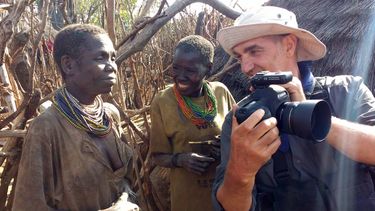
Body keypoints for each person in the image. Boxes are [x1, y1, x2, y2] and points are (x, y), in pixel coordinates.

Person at [212, 6, 375, 211]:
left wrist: (314, 117)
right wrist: (240, 173)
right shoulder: (241, 119)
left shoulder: (346, 91)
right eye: (239, 57)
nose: (245, 67)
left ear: (289, 45)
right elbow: (230, 206)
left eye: (254, 51)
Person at [13, 24, 138, 211]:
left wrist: (126, 199)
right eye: (100, 58)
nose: (112, 66)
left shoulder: (110, 115)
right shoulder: (47, 128)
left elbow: (125, 179)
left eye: (113, 58)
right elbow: (29, 205)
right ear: (68, 65)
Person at [150, 35, 235, 211]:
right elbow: (157, 156)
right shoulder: (163, 101)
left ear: (208, 69)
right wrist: (181, 159)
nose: (180, 76)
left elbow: (239, 134)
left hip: (225, 195)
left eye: (190, 70)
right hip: (188, 200)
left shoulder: (220, 92)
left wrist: (225, 144)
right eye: (175, 68)